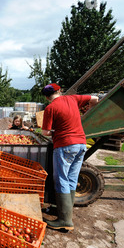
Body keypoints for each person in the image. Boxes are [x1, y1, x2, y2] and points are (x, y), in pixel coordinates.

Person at [41, 83, 98, 231]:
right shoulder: (73, 99)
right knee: (72, 179)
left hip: (65, 145)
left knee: (61, 179)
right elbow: (95, 98)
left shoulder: (50, 108)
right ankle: (64, 212)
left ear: (47, 97)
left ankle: (64, 220)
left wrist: (56, 131)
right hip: (81, 144)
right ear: (60, 90)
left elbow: (45, 132)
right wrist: (86, 116)